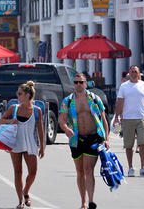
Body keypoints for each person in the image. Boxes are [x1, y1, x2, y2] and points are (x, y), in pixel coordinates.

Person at [59, 73, 109, 209]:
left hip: (93, 138)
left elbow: (103, 120)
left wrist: (106, 139)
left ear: (86, 83)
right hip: (76, 140)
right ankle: (83, 201)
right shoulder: (67, 101)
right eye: (76, 82)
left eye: (81, 82)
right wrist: (66, 129)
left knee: (88, 170)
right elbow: (61, 120)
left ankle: (91, 200)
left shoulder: (94, 99)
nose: (78, 84)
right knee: (80, 172)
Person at [0, 81, 45, 209]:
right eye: (17, 93)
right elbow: (0, 121)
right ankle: (20, 201)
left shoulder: (37, 110)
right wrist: (10, 121)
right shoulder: (14, 108)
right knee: (18, 172)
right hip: (15, 143)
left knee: (33, 172)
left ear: (27, 95)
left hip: (30, 143)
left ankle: (26, 191)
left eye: (19, 93)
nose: (17, 95)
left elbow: (40, 129)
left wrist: (42, 146)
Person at [112, 65, 144, 177]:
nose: (134, 74)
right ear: (129, 73)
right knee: (129, 145)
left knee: (143, 143)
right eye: (132, 72)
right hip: (127, 119)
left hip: (141, 118)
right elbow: (119, 102)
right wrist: (117, 117)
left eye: (136, 72)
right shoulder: (124, 86)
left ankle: (143, 167)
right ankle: (130, 167)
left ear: (139, 73)